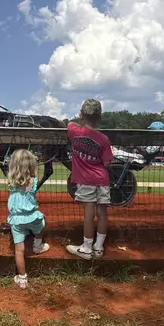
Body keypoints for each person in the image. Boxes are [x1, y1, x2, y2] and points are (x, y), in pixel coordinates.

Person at [66, 99, 114, 259]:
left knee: (88, 213)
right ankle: (98, 247)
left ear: (82, 115)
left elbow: (69, 124)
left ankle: (86, 248)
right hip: (102, 179)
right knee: (102, 213)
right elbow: (107, 163)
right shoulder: (104, 139)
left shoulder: (74, 131)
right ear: (99, 117)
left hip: (85, 179)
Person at [6, 149, 50, 289]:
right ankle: (37, 245)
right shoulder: (33, 181)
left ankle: (22, 279)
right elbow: (32, 176)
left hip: (17, 221)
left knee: (19, 250)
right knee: (42, 221)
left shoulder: (11, 181)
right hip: (32, 217)